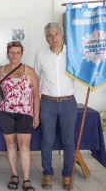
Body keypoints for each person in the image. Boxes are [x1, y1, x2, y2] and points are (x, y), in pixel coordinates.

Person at [34, 22, 77, 190]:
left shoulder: (72, 53)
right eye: (50, 35)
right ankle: (47, 174)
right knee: (47, 140)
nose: (54, 38)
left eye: (56, 34)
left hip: (68, 102)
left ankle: (67, 175)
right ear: (46, 38)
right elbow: (36, 79)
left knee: (68, 141)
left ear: (62, 35)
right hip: (47, 103)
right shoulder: (41, 54)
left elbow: (82, 71)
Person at [0, 41, 40, 191]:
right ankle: (14, 175)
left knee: (25, 146)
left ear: (21, 54)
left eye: (17, 52)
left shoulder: (29, 71)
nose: (14, 55)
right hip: (4, 112)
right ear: (7, 54)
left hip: (25, 113)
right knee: (10, 144)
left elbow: (36, 94)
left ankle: (26, 179)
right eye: (12, 52)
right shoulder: (1, 70)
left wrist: (37, 115)